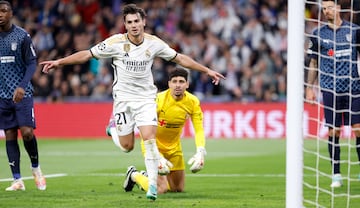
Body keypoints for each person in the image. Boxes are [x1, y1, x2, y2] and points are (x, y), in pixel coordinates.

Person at [40, 4, 224, 200]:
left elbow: (180, 59)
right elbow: (87, 54)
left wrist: (206, 70)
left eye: (137, 21)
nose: (134, 25)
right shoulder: (114, 43)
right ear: (125, 25)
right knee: (127, 147)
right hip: (123, 100)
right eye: (130, 22)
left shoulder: (154, 43)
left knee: (149, 139)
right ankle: (113, 129)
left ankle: (152, 187)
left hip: (146, 99)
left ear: (143, 22)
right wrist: (59, 62)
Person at [107, 68, 206, 194]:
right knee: (161, 189)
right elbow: (145, 129)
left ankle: (145, 176)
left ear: (187, 84)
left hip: (174, 148)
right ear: (169, 84)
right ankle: (134, 175)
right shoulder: (157, 100)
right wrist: (157, 155)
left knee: (177, 188)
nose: (177, 85)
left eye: (181, 82)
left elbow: (198, 129)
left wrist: (200, 151)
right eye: (174, 81)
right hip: (153, 145)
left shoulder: (192, 102)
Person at [306, 0, 360, 188]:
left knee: (358, 129)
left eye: (329, 7)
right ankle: (336, 174)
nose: (326, 11)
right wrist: (309, 87)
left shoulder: (354, 30)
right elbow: (313, 63)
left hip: (354, 87)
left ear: (338, 8)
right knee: (333, 131)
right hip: (330, 88)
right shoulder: (317, 34)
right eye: (324, 8)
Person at [0, 1, 46, 191]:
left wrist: (21, 86)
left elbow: (32, 63)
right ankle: (17, 179)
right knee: (10, 134)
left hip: (22, 94)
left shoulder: (22, 36)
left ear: (11, 14)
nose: (0, 14)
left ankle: (35, 168)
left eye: (3, 11)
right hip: (2, 95)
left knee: (27, 132)